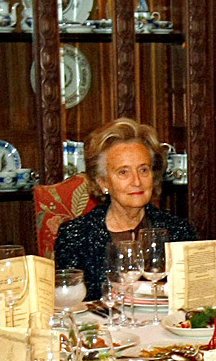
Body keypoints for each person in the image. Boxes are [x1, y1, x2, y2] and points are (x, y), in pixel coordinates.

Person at [52, 117, 196, 300]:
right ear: (102, 181)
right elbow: (67, 302)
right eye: (123, 172)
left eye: (143, 170)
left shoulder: (179, 231)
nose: (136, 182)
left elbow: (195, 297)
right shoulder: (75, 236)